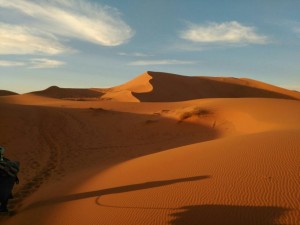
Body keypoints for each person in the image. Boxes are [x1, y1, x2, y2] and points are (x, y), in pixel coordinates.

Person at [0, 146, 20, 213]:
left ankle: (3, 207)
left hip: (8, 177)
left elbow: (9, 169)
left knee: (4, 191)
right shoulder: (4, 160)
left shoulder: (3, 161)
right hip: (9, 177)